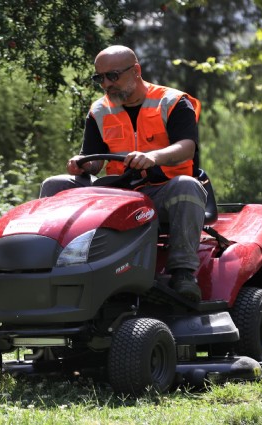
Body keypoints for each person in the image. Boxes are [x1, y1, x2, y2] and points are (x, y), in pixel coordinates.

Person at [39, 45, 206, 303]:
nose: (106, 84)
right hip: (116, 196)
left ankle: (183, 274)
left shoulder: (172, 102)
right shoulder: (99, 111)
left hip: (161, 192)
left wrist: (153, 157)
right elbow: (93, 160)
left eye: (112, 76)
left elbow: (186, 148)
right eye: (100, 78)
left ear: (136, 71)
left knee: (187, 186)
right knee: (55, 185)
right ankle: (50, 267)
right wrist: (82, 165)